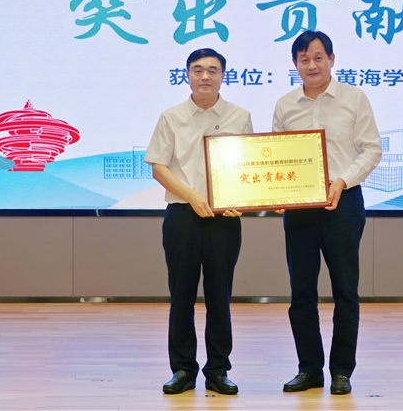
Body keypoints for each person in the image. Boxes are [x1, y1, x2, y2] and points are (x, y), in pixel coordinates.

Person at [272, 31, 381, 395]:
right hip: (300, 209)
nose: (312, 65)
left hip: (343, 204)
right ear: (295, 64)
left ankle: (341, 371)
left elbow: (371, 149)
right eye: (304, 59)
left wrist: (342, 180)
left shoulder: (354, 98)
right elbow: (276, 157)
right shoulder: (285, 105)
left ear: (332, 59)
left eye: (318, 57)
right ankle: (309, 369)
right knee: (301, 292)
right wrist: (275, 193)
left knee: (345, 291)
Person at [145, 48, 253, 395]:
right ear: (187, 75)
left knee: (220, 297)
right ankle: (182, 369)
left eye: (213, 70)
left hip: (224, 220)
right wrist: (192, 196)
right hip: (182, 217)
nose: (205, 76)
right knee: (182, 296)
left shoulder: (240, 116)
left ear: (223, 75)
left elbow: (248, 167)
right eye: (197, 69)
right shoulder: (171, 117)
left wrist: (242, 201)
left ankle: (218, 370)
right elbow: (159, 167)